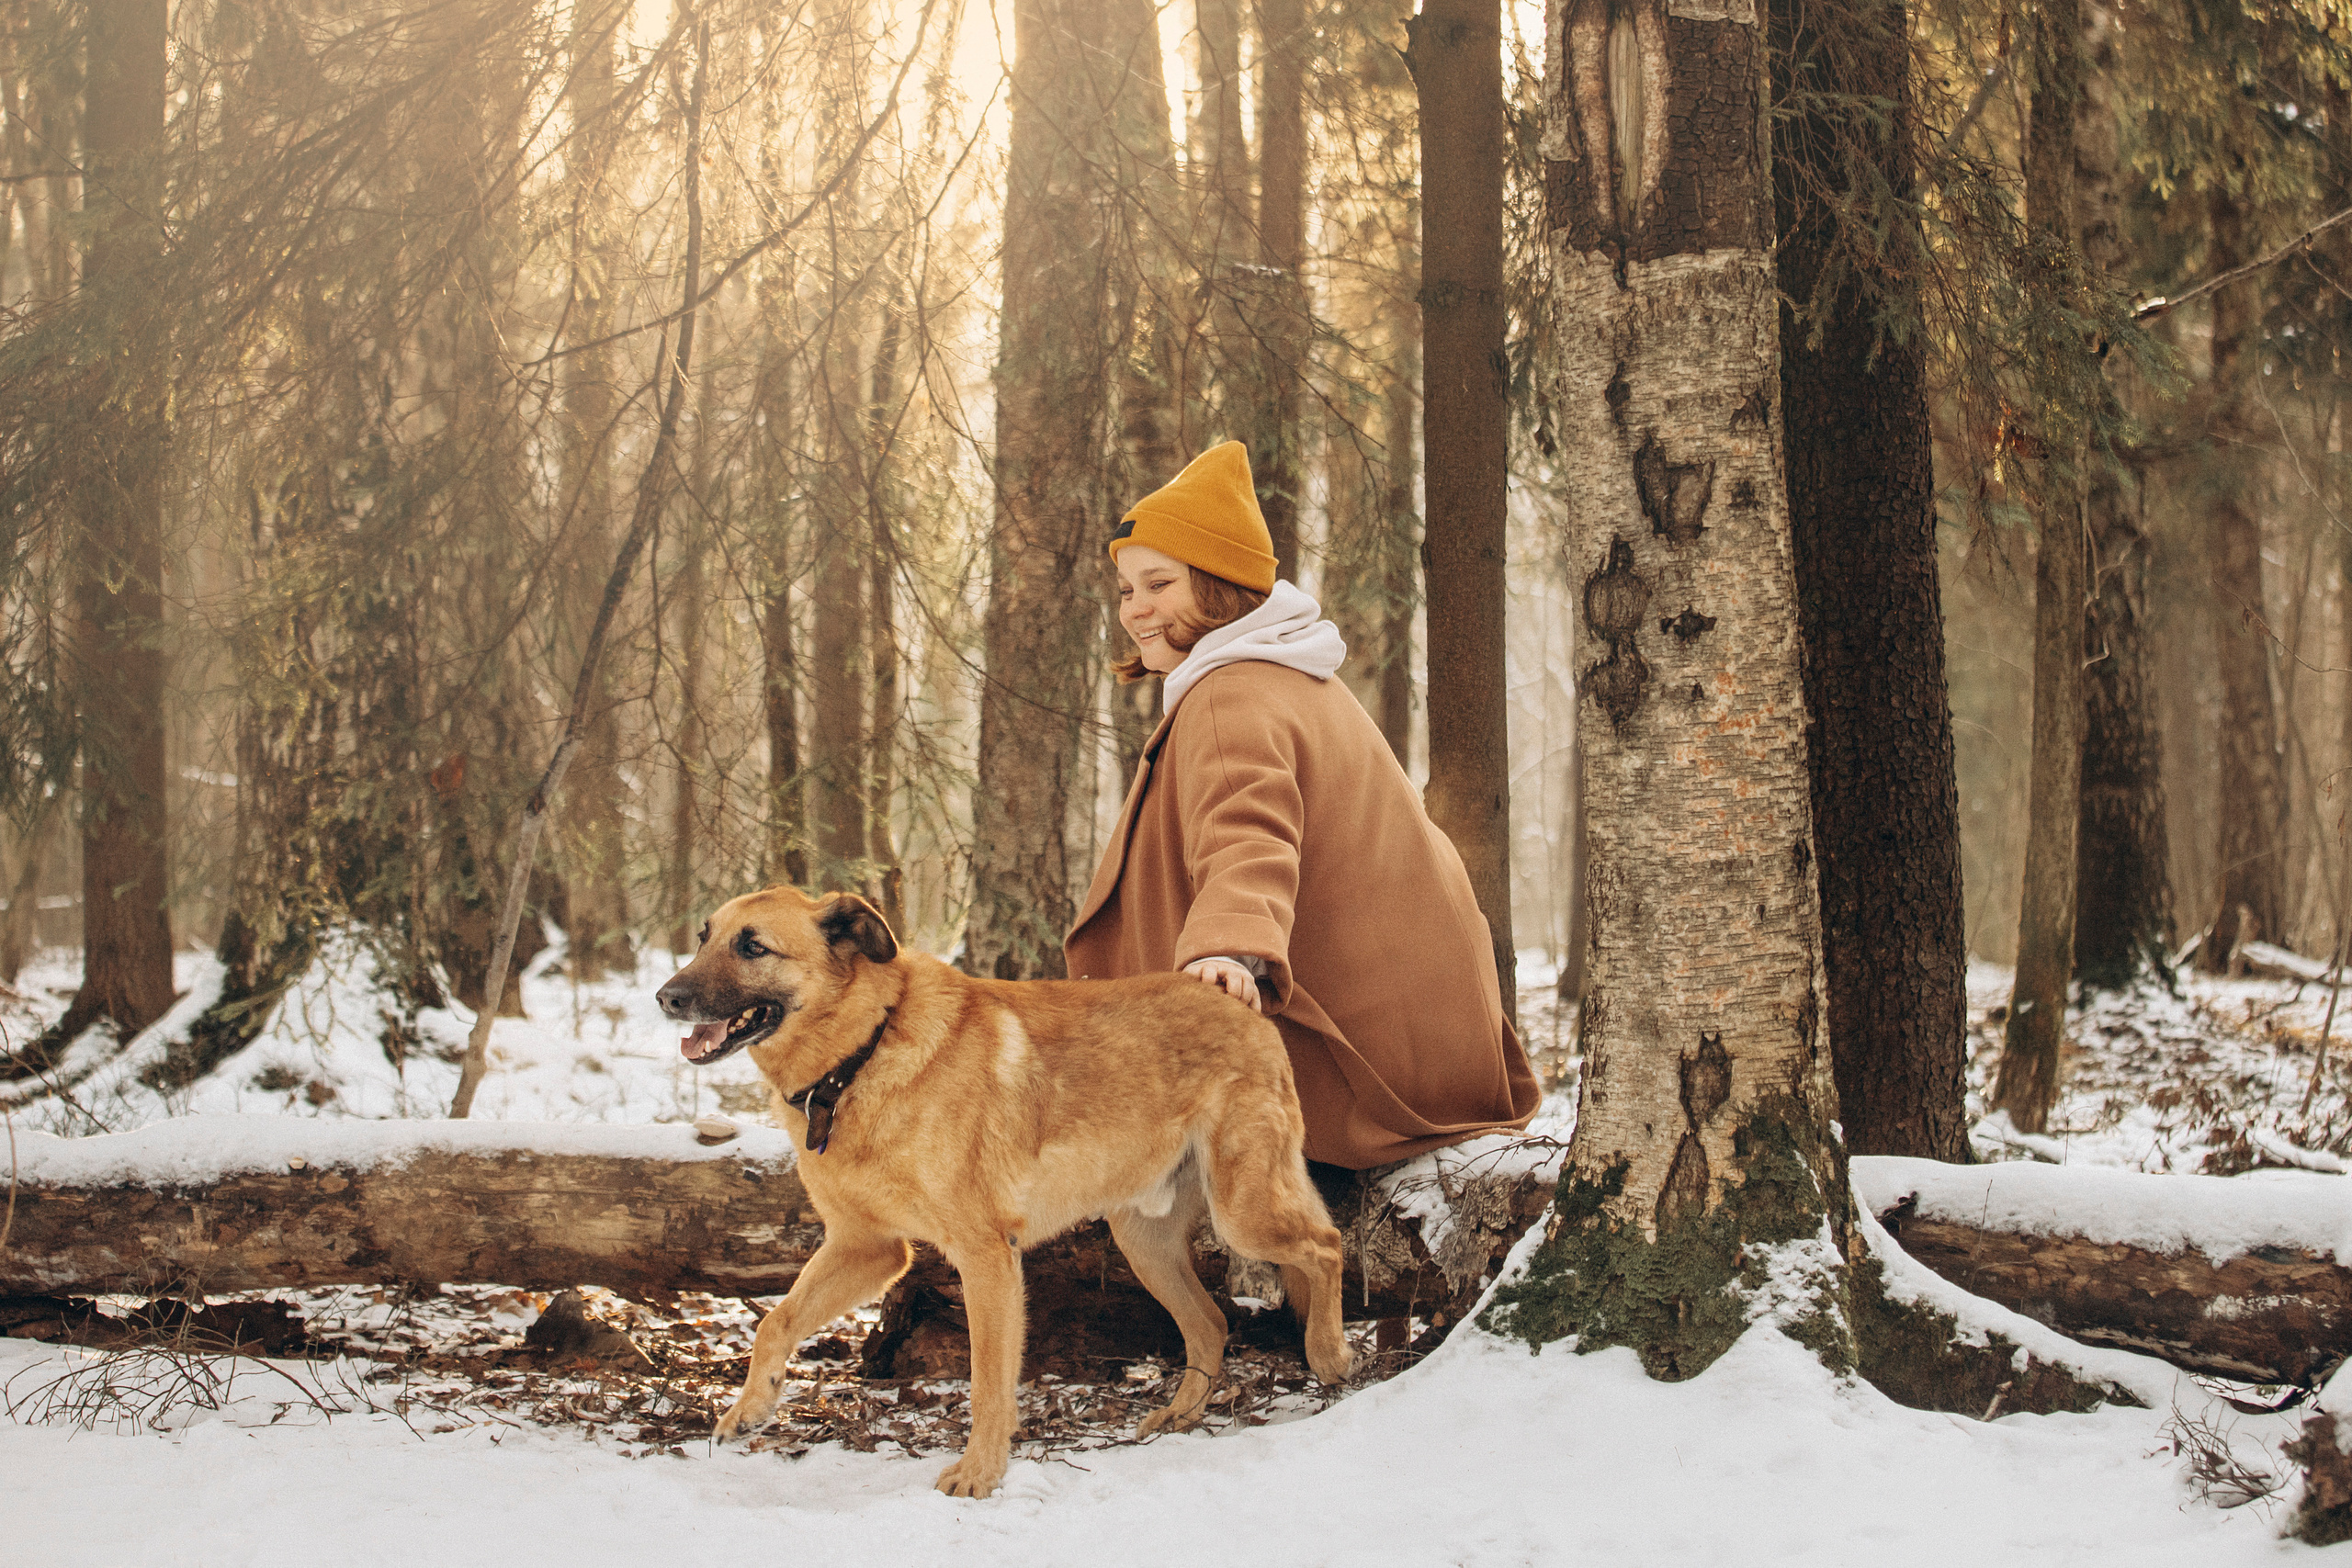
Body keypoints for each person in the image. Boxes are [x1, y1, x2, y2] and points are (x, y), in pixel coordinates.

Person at [1066, 441, 1540, 1168]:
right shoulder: (1293, 676)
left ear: (1220, 584)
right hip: (1437, 1065)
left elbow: (1248, 835)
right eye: (1128, 589)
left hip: (1365, 1084)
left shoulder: (1230, 693)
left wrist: (1226, 949)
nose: (1135, 609)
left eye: (1159, 583)